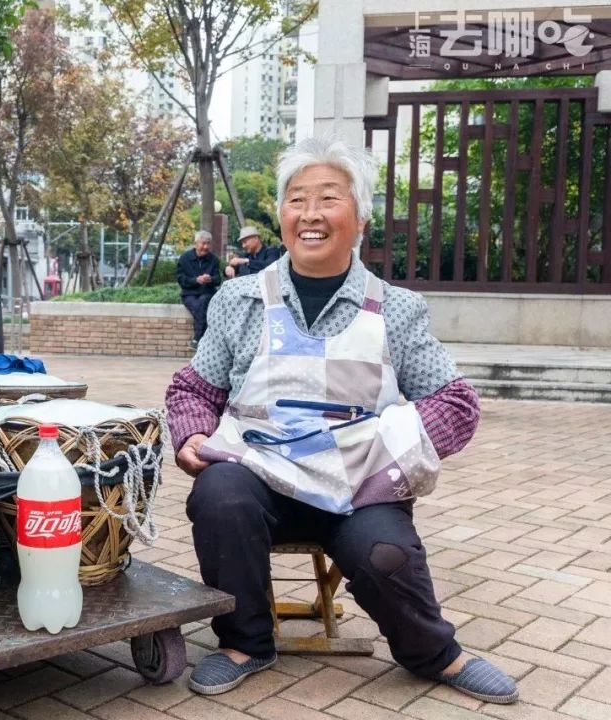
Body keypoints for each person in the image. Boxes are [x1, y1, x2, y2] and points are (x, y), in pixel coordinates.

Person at [165, 138, 518, 704]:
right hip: (260, 474)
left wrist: (389, 451)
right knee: (219, 495)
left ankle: (435, 654)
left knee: (386, 554)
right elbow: (196, 387)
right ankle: (244, 643)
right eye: (296, 199)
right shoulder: (239, 299)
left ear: (359, 218)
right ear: (281, 216)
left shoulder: (395, 308)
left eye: (328, 198)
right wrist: (193, 434)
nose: (310, 214)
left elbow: (456, 402)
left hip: (358, 487)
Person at [176, 230, 221, 349]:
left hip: (207, 293)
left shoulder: (214, 260)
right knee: (199, 307)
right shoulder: (184, 258)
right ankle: (201, 339)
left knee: (203, 301)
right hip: (189, 294)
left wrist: (210, 279)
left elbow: (218, 280)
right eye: (203, 243)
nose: (205, 247)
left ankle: (197, 339)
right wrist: (195, 280)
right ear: (196, 243)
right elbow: (181, 279)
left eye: (208, 244)